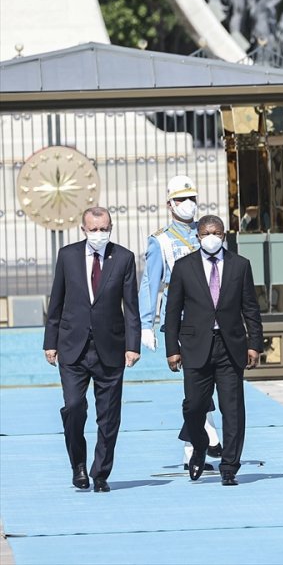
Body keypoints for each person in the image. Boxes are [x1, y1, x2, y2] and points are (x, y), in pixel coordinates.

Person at [43, 207, 140, 492]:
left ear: (111, 227)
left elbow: (131, 307)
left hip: (110, 348)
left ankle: (100, 473)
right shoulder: (68, 256)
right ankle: (78, 465)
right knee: (73, 407)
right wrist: (50, 342)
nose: (100, 234)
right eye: (94, 229)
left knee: (109, 416)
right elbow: (56, 301)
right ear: (83, 229)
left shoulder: (123, 258)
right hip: (72, 347)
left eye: (104, 228)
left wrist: (132, 346)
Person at [164, 215, 263, 486]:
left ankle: (229, 466)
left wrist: (254, 344)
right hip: (195, 347)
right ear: (198, 236)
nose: (212, 237)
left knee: (232, 409)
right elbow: (172, 311)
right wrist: (172, 348)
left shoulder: (240, 265)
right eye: (207, 232)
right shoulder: (184, 267)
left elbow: (251, 309)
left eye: (217, 233)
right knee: (194, 406)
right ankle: (198, 445)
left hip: (230, 346)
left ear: (224, 235)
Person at [138, 175, 222, 469]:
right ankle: (208, 436)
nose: (188, 205)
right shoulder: (160, 240)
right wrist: (146, 324)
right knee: (198, 385)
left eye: (192, 199)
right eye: (181, 200)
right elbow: (151, 283)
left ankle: (193, 451)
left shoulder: (207, 233)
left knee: (202, 386)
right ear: (169, 204)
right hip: (185, 323)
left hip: (213, 320)